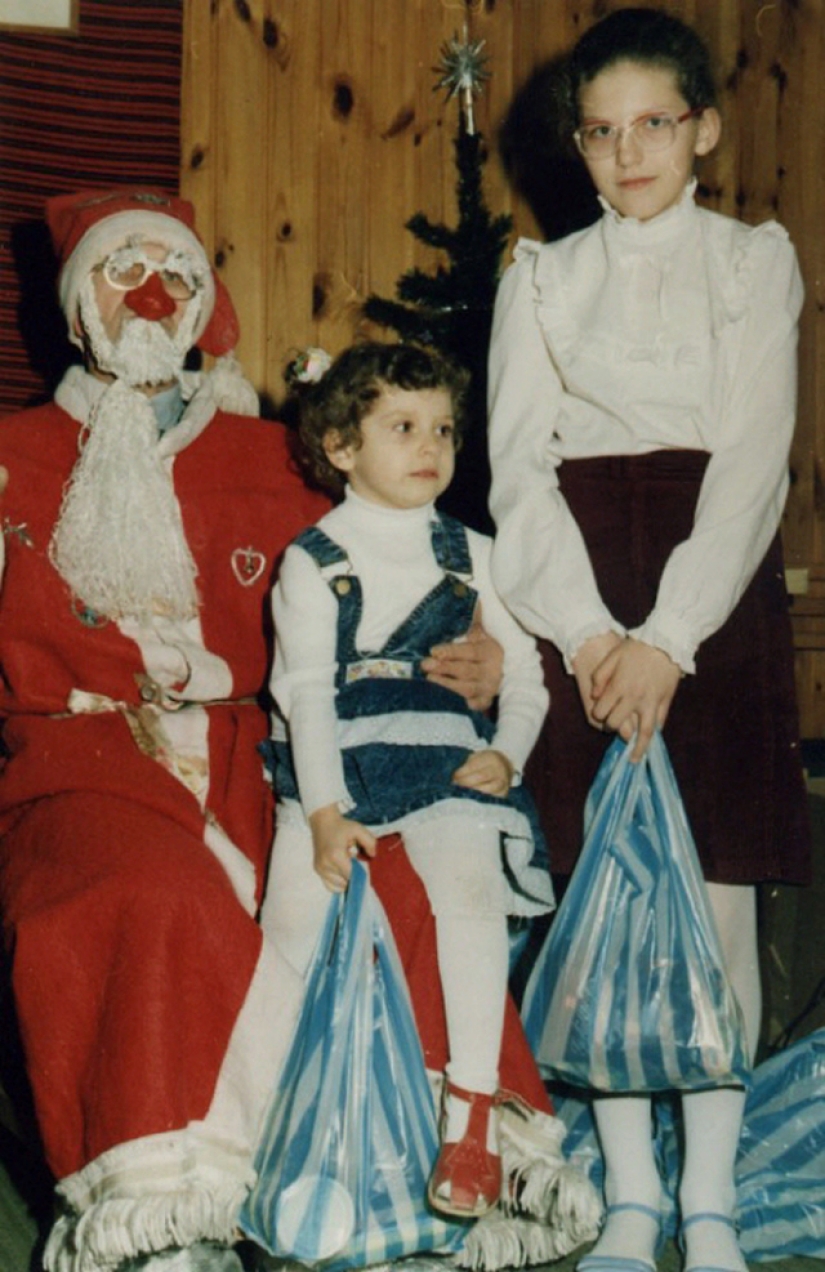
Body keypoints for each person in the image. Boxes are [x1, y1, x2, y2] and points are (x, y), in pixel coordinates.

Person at [0, 188, 505, 1272]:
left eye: (176, 274)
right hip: (75, 753)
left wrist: (487, 653)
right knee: (148, 895)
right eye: (122, 270)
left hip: (267, 748)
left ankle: (399, 1185)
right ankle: (176, 1205)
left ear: (205, 307)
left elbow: (398, 576)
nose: (149, 292)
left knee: (397, 880)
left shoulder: (276, 457)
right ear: (77, 305)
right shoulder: (10, 452)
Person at [487, 10, 812, 1272]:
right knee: (603, 900)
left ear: (704, 131)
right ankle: (630, 1196)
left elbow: (750, 460)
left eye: (655, 126)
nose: (629, 155)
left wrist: (669, 638)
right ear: (579, 146)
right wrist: (583, 634)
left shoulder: (751, 262)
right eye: (602, 133)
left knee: (715, 893)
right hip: (581, 579)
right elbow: (518, 476)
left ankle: (713, 1199)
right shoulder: (542, 279)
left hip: (708, 600)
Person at [260, 341, 554, 1219]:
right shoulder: (311, 560)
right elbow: (305, 694)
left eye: (443, 429)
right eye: (402, 428)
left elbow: (529, 676)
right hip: (335, 767)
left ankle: (470, 1116)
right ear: (342, 447)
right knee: (292, 917)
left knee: (468, 888)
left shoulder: (475, 552)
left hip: (440, 761)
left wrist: (510, 753)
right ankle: (273, 1112)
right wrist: (320, 814)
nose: (430, 446)